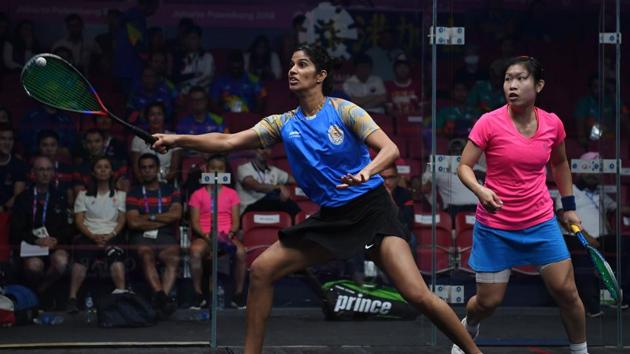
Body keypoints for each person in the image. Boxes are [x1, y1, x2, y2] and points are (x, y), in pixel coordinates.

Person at [152, 44, 481, 354]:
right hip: (333, 216)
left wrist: (367, 172)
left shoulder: (344, 110)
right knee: (263, 270)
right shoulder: (283, 123)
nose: (293, 70)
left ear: (321, 75)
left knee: (417, 294)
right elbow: (227, 141)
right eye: (292, 64)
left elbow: (390, 149)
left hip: (371, 209)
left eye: (302, 64)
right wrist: (178, 139)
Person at [454, 56, 587, 354]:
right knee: (487, 302)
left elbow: (561, 162)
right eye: (507, 79)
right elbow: (463, 166)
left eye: (521, 79)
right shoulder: (489, 122)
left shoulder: (553, 124)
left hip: (540, 222)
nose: (512, 86)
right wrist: (480, 190)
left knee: (567, 292)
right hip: (495, 226)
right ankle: (470, 324)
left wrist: (568, 206)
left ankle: (581, 352)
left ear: (538, 85)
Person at [555, 151, 630, 314]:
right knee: (584, 255)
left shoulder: (600, 193)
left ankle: (618, 294)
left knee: (625, 245)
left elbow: (620, 209)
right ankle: (591, 303)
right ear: (580, 170)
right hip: (576, 237)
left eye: (596, 172)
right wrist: (586, 238)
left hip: (601, 238)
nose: (593, 175)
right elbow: (564, 219)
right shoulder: (568, 192)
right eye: (589, 170)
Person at [67, 157, 127, 313]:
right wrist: (93, 236)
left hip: (112, 235)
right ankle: (72, 299)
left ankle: (122, 296)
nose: (103, 170)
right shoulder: (83, 195)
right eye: (99, 167)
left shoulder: (120, 195)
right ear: (93, 172)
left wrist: (111, 235)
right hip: (89, 235)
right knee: (81, 259)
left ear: (111, 172)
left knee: (116, 257)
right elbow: (79, 220)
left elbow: (121, 219)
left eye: (106, 167)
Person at [126, 153, 181, 318]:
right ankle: (163, 299)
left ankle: (159, 300)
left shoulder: (171, 190)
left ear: (157, 169)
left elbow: (176, 215)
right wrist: (162, 218)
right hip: (141, 236)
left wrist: (148, 217)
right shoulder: (134, 192)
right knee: (146, 254)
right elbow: (133, 223)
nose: (147, 171)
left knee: (173, 258)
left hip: (165, 236)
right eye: (144, 168)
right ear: (140, 171)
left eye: (151, 167)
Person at [188, 154, 246, 309]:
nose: (216, 172)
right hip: (205, 235)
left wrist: (230, 234)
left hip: (227, 235)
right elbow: (194, 222)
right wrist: (206, 236)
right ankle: (198, 294)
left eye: (220, 169)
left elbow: (236, 222)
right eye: (213, 168)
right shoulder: (197, 194)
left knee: (241, 252)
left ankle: (239, 295)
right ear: (206, 170)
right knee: (195, 252)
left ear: (225, 171)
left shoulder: (232, 194)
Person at [11, 156, 72, 296]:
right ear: (33, 173)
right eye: (41, 169)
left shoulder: (61, 197)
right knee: (34, 266)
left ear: (53, 173)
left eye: (48, 169)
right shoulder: (23, 198)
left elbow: (69, 228)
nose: (45, 173)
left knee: (61, 262)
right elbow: (15, 231)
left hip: (53, 245)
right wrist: (36, 240)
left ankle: (41, 290)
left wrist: (56, 240)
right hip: (31, 246)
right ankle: (35, 295)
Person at [236, 147, 300, 217]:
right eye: (261, 148)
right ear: (255, 150)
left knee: (288, 204)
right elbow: (255, 186)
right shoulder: (244, 168)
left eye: (268, 148)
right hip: (249, 209)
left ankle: (301, 222)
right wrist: (278, 187)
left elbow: (293, 180)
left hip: (269, 206)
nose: (265, 151)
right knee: (282, 202)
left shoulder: (274, 170)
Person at [131, 102, 182, 184]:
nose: (156, 118)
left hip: (168, 184)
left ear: (164, 116)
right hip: (145, 184)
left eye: (159, 114)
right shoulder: (138, 139)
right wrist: (148, 186)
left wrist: (161, 185)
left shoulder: (173, 137)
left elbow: (174, 169)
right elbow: (136, 170)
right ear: (147, 118)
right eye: (152, 114)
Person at [0, 124, 27, 212]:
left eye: (10, 139)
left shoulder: (19, 165)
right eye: (3, 138)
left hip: (7, 213)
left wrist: (2, 209)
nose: (7, 143)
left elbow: (17, 197)